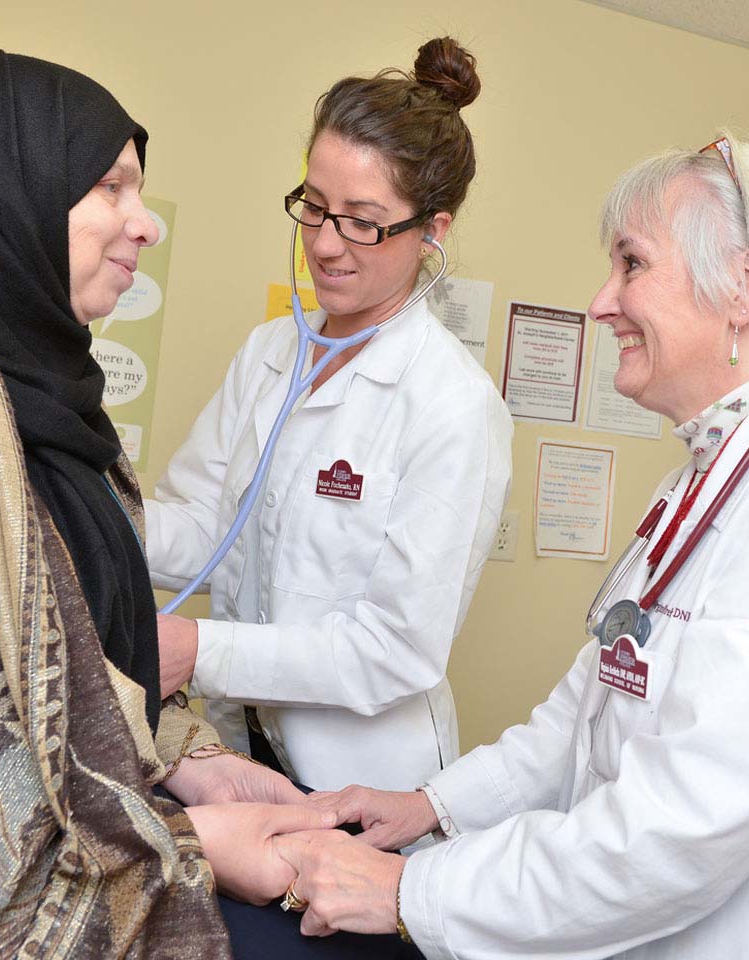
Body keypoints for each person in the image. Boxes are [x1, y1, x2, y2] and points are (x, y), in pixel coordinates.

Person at [275, 134, 749, 959]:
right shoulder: (703, 477)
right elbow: (593, 700)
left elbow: (681, 831)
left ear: (746, 289)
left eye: (632, 265)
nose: (601, 303)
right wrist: (432, 805)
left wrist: (410, 889)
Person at [0, 51, 347, 958]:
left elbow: (88, 651)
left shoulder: (49, 403)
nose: (145, 225)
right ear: (1, 191)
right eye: (108, 186)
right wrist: (190, 840)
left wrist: (193, 766)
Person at [149, 37, 513, 793]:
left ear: (433, 232)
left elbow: (394, 648)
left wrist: (198, 649)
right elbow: (206, 530)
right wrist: (81, 512)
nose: (324, 243)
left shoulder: (452, 403)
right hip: (237, 749)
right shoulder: (268, 354)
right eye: (314, 206)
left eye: (363, 221)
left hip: (364, 785)